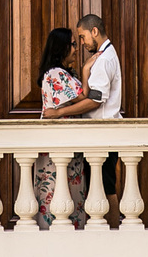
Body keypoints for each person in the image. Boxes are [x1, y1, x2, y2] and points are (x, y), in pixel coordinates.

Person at [43, 13, 122, 227]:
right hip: (90, 137)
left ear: (94, 32)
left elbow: (94, 100)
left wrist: (58, 113)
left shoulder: (104, 59)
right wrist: (86, 70)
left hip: (102, 134)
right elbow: (87, 95)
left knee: (106, 188)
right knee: (99, 188)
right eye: (75, 41)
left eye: (82, 36)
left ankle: (113, 233)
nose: (80, 44)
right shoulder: (99, 58)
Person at [33, 27, 86, 229]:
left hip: (66, 144)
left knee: (67, 196)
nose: (76, 49)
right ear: (62, 47)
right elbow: (86, 97)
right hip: (59, 146)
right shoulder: (56, 74)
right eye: (73, 44)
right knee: (57, 197)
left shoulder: (63, 73)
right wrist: (90, 67)